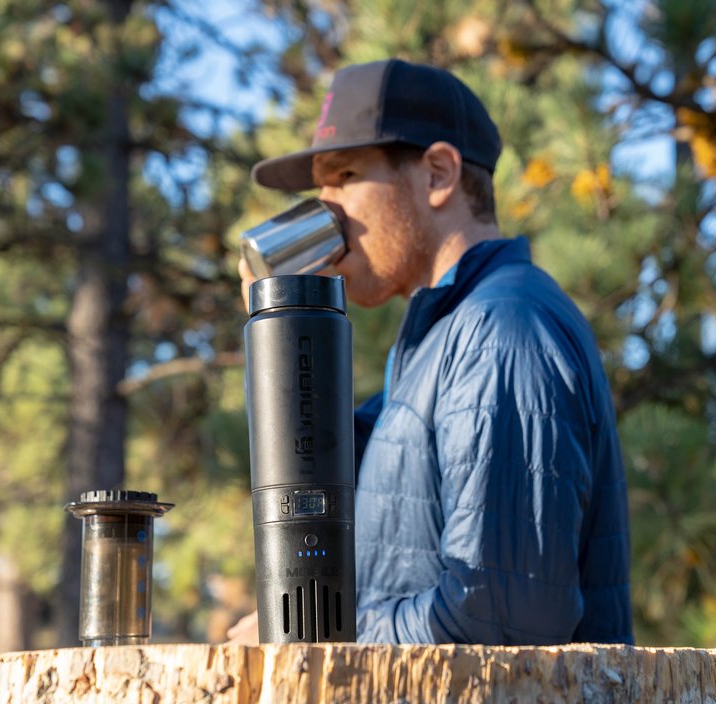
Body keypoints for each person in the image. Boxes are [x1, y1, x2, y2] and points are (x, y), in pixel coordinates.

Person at [232, 58, 632, 645]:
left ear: (439, 174)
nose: (326, 211)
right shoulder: (430, 347)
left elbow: (501, 623)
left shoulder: (502, 331)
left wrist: (314, 641)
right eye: (318, 190)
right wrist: (280, 324)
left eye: (343, 176)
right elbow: (320, 471)